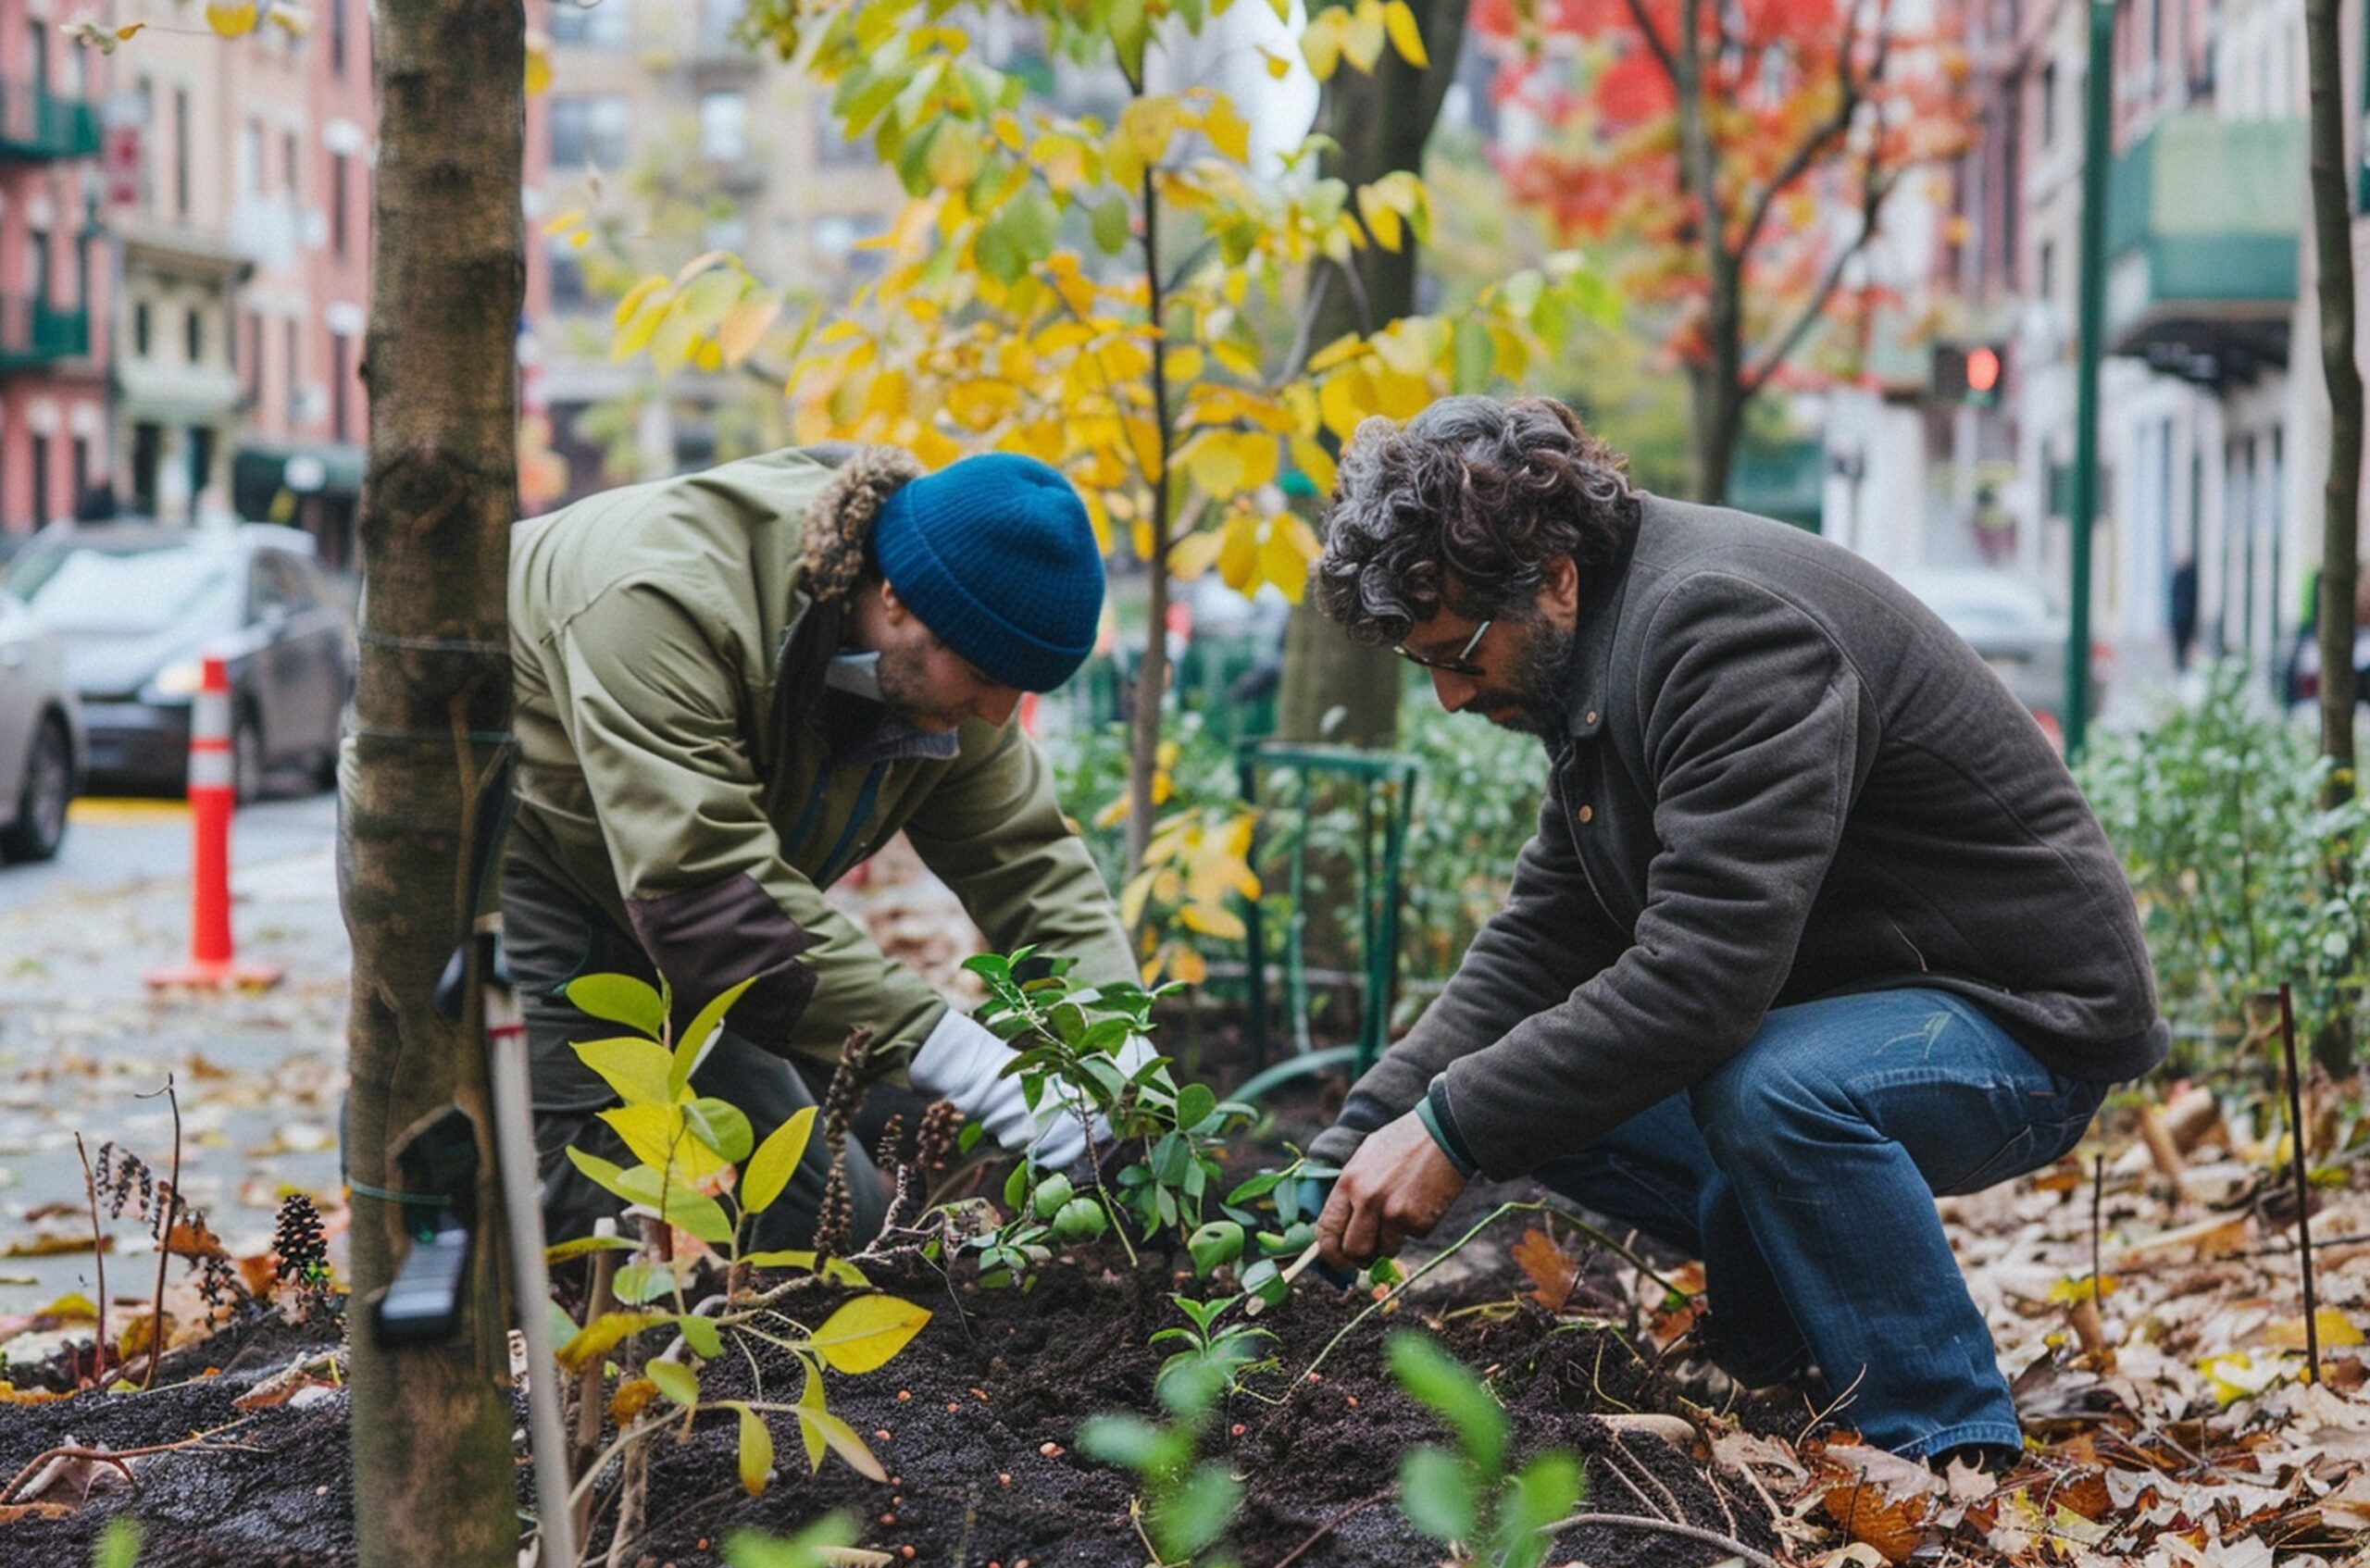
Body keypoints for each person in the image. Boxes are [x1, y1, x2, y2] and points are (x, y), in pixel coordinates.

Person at [1303, 396, 2165, 1470]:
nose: (1443, 694)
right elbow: (1540, 940)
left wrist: (1450, 1132)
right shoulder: (1592, 649)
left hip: (2015, 1022)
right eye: (1420, 660)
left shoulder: (1722, 627)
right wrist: (1352, 1147)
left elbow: (1703, 980)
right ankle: (1799, 1332)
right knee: (1529, 1090)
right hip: (1846, 1013)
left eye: (1460, 650)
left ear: (1554, 576)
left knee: (1769, 1090)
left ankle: (1947, 1450)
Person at [507, 444, 1140, 1251]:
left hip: (699, 909)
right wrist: (978, 1069)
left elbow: (1027, 861)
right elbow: (706, 893)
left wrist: (1119, 1048)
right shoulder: (662, 599)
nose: (995, 713)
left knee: (828, 1221)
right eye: (986, 676)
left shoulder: (955, 652)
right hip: (531, 856)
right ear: (897, 598)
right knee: (597, 1217)